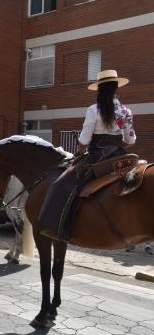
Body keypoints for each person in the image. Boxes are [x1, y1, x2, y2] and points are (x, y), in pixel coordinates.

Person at [38, 70, 136, 241]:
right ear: (116, 89)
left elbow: (84, 140)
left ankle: (57, 229)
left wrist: (80, 151)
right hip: (120, 156)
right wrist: (117, 145)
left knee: (59, 184)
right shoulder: (126, 111)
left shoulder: (94, 109)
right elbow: (130, 140)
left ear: (100, 90)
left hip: (98, 156)